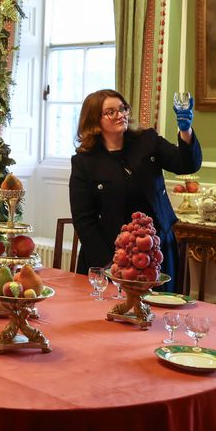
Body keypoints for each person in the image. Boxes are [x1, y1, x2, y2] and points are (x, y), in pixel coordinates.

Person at [68, 90, 201, 286]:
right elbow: (83, 219)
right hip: (110, 253)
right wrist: (108, 266)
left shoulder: (148, 140)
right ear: (95, 120)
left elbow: (187, 165)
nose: (120, 115)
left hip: (156, 249)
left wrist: (186, 131)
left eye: (123, 108)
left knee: (158, 312)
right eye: (111, 112)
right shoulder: (85, 162)